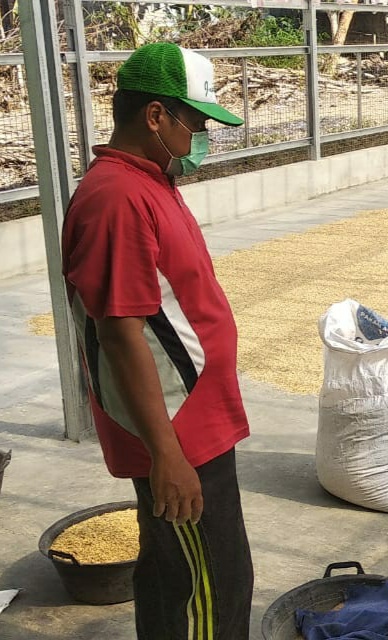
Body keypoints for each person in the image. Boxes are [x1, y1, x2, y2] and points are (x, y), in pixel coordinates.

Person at [61, 43, 253, 639]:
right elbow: (121, 335)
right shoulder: (117, 197)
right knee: (207, 592)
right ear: (154, 116)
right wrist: (167, 455)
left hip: (195, 423)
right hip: (178, 434)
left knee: (187, 577)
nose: (202, 136)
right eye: (195, 123)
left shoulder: (149, 181)